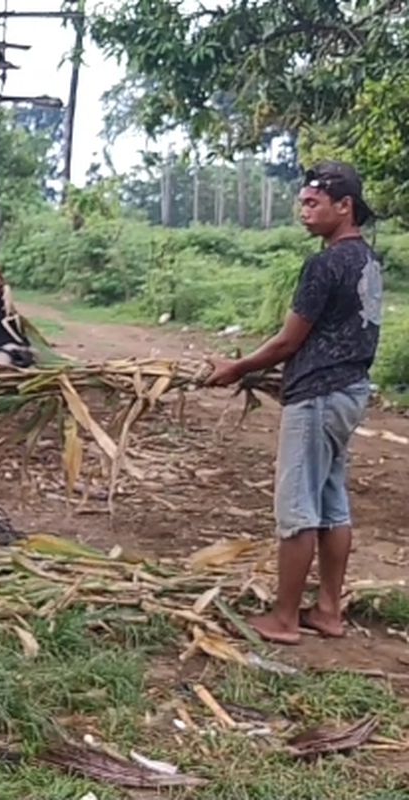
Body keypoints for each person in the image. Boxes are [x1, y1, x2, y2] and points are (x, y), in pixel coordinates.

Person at [208, 161, 383, 645]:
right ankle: (327, 610)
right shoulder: (367, 260)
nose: (303, 211)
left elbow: (288, 342)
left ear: (344, 206)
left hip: (318, 397)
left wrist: (236, 368)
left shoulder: (324, 264)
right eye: (301, 202)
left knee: (297, 507)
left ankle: (284, 619)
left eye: (313, 203)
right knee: (331, 503)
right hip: (349, 392)